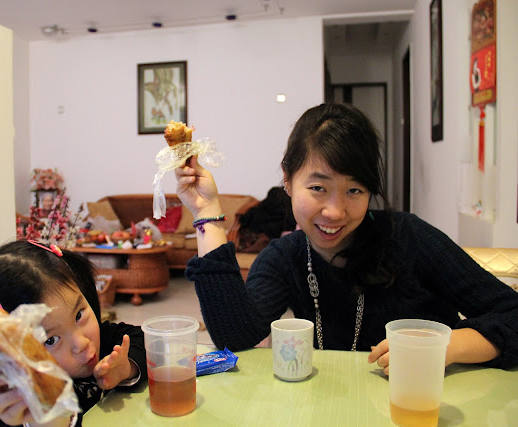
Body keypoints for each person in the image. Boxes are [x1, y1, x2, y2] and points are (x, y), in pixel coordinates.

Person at [174, 102, 518, 373]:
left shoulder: (409, 238)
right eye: (318, 188)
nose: (335, 212)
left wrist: (443, 347)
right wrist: (207, 212)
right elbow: (236, 338)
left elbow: (511, 313)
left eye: (354, 190)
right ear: (288, 181)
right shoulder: (285, 257)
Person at [0, 240, 146, 426]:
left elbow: (145, 339)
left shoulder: (98, 340)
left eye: (78, 315)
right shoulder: (5, 398)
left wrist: (126, 368)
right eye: (51, 340)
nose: (81, 343)